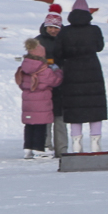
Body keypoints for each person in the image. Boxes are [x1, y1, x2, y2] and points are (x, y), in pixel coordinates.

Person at [60, 0, 107, 152]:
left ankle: (76, 142)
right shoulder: (94, 30)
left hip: (72, 71)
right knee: (94, 107)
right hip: (92, 70)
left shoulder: (64, 31)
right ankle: (95, 141)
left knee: (75, 108)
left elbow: (60, 51)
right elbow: (99, 47)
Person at [16, 38, 63, 159]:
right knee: (40, 125)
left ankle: (28, 148)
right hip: (41, 101)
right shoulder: (44, 69)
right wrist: (58, 71)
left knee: (29, 125)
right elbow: (55, 81)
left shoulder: (24, 66)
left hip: (28, 101)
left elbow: (21, 83)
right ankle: (38, 149)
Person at [37, 10, 70, 155]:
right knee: (45, 118)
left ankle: (61, 149)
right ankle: (45, 146)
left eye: (56, 28)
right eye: (50, 27)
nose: (52, 30)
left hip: (61, 86)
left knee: (60, 118)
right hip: (44, 86)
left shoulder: (64, 40)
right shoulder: (39, 41)